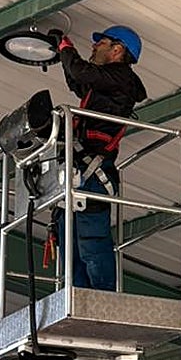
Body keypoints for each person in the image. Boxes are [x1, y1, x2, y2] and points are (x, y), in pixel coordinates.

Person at [48, 25, 147, 291]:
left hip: (93, 172)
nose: (93, 47)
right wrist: (62, 54)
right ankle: (76, 297)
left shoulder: (122, 78)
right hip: (79, 169)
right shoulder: (106, 86)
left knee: (91, 242)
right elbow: (77, 80)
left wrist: (65, 47)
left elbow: (81, 72)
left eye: (100, 43)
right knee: (70, 243)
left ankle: (103, 299)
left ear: (117, 50)